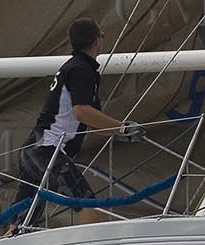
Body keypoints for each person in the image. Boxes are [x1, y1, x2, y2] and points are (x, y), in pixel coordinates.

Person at [15, 17, 142, 231]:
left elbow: (93, 120)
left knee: (21, 222)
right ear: (96, 41)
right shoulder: (82, 70)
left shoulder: (74, 68)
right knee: (88, 209)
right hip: (47, 150)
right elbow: (81, 111)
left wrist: (122, 131)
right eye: (102, 35)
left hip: (33, 149)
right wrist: (123, 128)